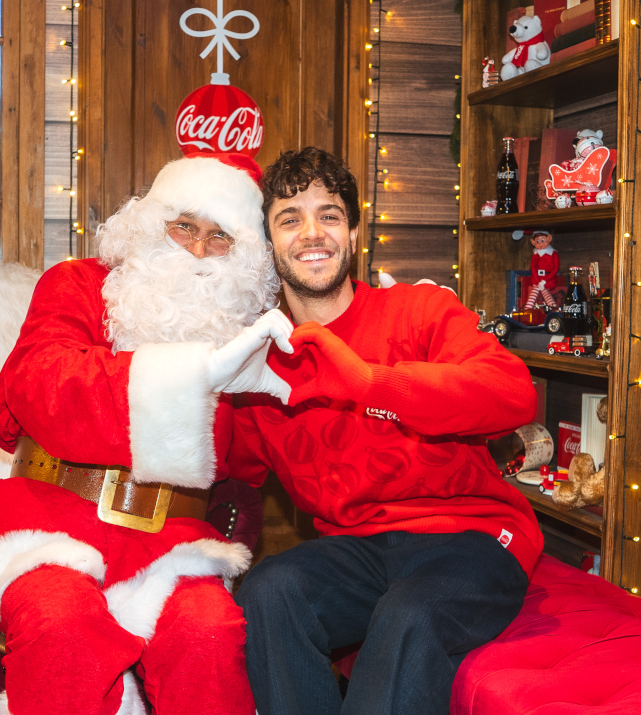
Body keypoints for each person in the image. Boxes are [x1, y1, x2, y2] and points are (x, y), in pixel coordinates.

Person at [0, 153, 294, 715]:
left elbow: (260, 457)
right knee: (62, 623)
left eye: (220, 237)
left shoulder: (239, 334)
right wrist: (193, 375)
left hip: (170, 541)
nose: (197, 250)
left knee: (208, 631)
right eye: (184, 227)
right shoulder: (78, 285)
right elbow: (39, 384)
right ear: (151, 223)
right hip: (46, 522)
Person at [229, 147, 544, 715]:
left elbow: (513, 392)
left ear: (353, 232)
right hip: (356, 550)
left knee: (409, 616)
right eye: (289, 219)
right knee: (269, 590)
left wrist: (372, 382)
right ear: (269, 242)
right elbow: (229, 475)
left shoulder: (418, 311)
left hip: (471, 538)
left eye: (329, 215)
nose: (312, 233)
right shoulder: (260, 366)